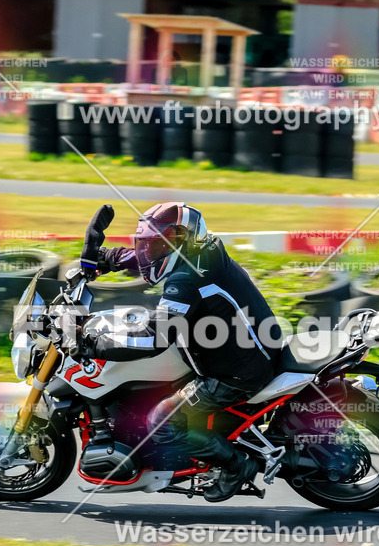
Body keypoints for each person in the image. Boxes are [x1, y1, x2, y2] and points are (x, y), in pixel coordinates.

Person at [78, 202, 283, 502]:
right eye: (147, 243)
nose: (149, 251)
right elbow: (150, 258)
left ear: (182, 243)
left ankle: (236, 466)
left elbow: (155, 339)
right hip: (249, 350)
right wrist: (108, 258)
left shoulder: (186, 280)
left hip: (237, 374)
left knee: (162, 421)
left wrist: (93, 344)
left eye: (158, 244)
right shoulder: (203, 253)